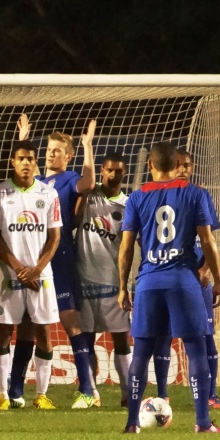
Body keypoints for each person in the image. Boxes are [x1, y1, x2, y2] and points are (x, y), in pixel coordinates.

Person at [118, 141, 220, 433]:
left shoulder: (136, 198)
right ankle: (202, 422)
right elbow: (208, 241)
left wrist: (122, 287)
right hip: (183, 280)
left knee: (141, 353)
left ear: (150, 165)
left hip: (149, 282)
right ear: (179, 165)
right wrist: (217, 280)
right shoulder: (195, 194)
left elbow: (126, 247)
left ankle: (131, 424)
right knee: (196, 350)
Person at [6, 116, 98, 409]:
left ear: (68, 156)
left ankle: (87, 389)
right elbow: (19, 166)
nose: (52, 153)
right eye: (49, 148)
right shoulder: (37, 182)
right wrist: (23, 136)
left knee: (70, 320)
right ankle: (15, 392)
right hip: (31, 256)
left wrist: (87, 148)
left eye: (58, 150)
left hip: (58, 255)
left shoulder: (68, 179)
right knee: (27, 324)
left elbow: (88, 184)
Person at [0, 140, 62, 410]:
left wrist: (37, 268)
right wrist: (18, 268)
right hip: (11, 276)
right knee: (3, 334)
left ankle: (41, 394)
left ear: (35, 162)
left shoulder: (48, 194)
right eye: (21, 158)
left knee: (43, 334)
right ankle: (2, 395)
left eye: (30, 159)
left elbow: (55, 236)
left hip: (40, 276)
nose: (26, 163)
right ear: (12, 161)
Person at [75, 152, 134, 407]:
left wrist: (127, 284)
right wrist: (87, 146)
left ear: (125, 173)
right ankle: (92, 394)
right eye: (109, 170)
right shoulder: (89, 195)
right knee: (86, 338)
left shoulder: (129, 204)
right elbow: (74, 218)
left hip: (113, 283)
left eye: (118, 171)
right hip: (83, 279)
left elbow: (131, 245)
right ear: (102, 170)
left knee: (120, 337)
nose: (113, 175)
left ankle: (127, 392)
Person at [177, 148, 220, 408]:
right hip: (174, 276)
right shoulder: (164, 195)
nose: (183, 169)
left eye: (187, 165)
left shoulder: (201, 195)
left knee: (206, 334)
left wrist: (205, 269)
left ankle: (212, 394)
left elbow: (210, 240)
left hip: (199, 279)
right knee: (161, 336)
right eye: (178, 165)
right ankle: (162, 392)